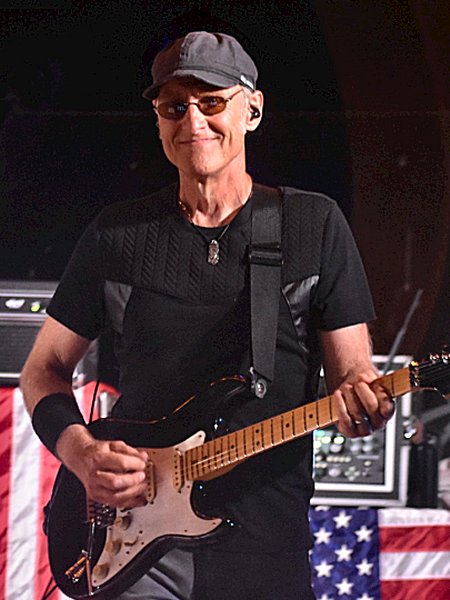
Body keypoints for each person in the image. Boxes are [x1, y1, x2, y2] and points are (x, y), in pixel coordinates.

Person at [21, 31, 395, 600]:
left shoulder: (313, 225)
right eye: (175, 106)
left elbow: (352, 377)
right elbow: (43, 366)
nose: (193, 119)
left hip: (266, 539)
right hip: (134, 542)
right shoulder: (116, 235)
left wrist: (360, 403)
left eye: (212, 101)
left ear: (253, 109)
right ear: (158, 119)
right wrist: (80, 452)